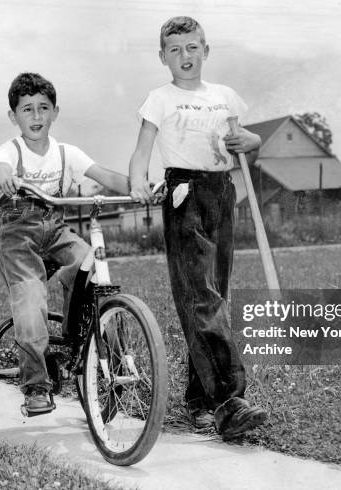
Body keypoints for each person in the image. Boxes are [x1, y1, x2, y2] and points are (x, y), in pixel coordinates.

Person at [129, 16, 267, 440]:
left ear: (206, 51)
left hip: (223, 194)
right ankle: (228, 401)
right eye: (175, 50)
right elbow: (142, 151)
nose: (185, 57)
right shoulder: (160, 99)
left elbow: (246, 144)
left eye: (192, 48)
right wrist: (137, 180)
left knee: (213, 300)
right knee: (201, 298)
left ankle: (199, 399)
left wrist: (254, 143)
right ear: (162, 57)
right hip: (184, 194)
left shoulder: (225, 96)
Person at [0, 72, 129, 414]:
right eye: (27, 110)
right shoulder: (11, 150)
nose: (36, 116)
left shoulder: (67, 153)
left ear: (55, 112)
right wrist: (6, 178)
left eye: (43, 108)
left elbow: (107, 176)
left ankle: (79, 337)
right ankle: (36, 385)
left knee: (88, 265)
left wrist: (139, 185)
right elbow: (0, 167)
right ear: (14, 117)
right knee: (30, 299)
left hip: (55, 229)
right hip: (17, 234)